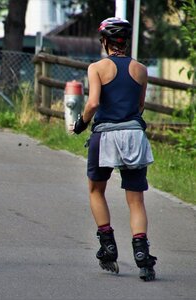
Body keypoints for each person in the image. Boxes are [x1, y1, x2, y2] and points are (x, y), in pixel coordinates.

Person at [70, 17, 157, 281]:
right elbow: (141, 105)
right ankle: (142, 254)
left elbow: (93, 103)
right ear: (125, 41)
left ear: (105, 41)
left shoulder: (97, 67)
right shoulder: (141, 70)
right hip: (133, 135)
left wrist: (81, 123)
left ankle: (108, 247)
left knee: (96, 190)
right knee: (136, 199)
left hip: (105, 135)